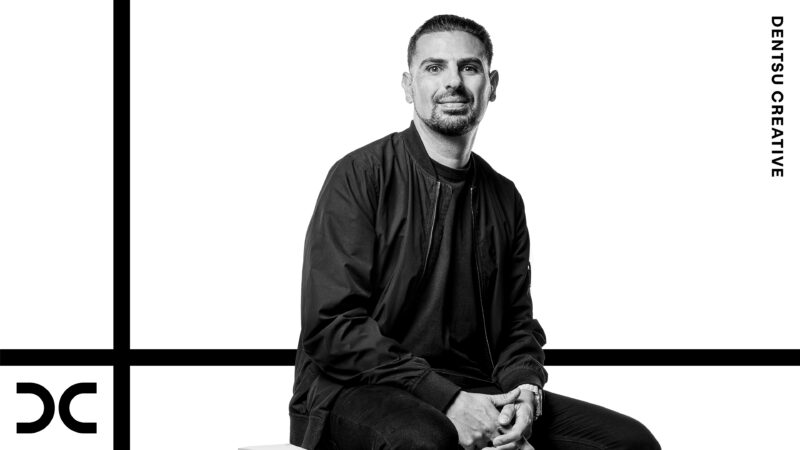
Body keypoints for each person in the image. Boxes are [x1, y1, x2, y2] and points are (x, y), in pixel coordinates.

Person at [289, 14, 661, 450]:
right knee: (427, 440)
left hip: (475, 385)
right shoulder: (360, 175)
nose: (453, 82)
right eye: (434, 67)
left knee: (630, 443)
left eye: (469, 67)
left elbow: (517, 326)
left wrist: (525, 391)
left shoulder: (504, 197)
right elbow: (333, 326)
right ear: (409, 86)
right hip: (355, 388)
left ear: (492, 84)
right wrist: (446, 400)